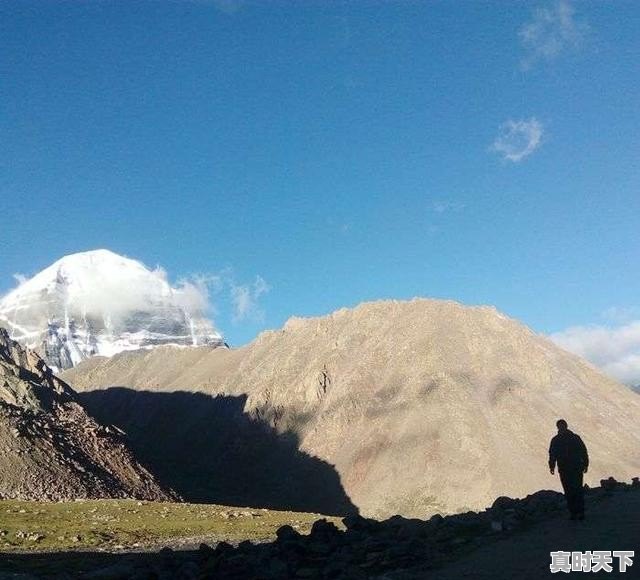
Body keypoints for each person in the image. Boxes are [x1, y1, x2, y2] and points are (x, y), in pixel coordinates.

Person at [548, 419, 589, 520]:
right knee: (571, 490)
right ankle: (575, 512)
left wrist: (586, 463)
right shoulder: (571, 438)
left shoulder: (559, 439)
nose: (561, 428)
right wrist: (552, 465)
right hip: (568, 468)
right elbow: (552, 454)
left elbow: (583, 451)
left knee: (575, 490)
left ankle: (578, 512)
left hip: (572, 468)